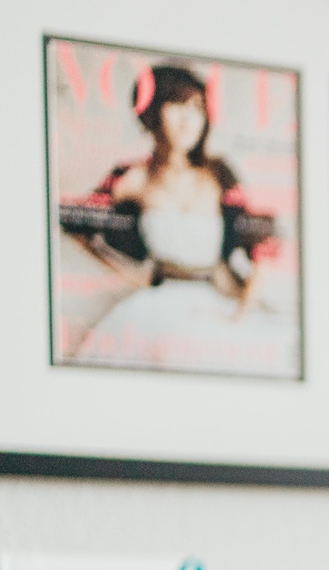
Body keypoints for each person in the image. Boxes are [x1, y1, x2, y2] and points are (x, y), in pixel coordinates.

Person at [59, 64, 293, 373]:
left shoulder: (219, 175)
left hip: (215, 297)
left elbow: (262, 243)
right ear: (154, 112)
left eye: (197, 108)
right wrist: (129, 273)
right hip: (159, 305)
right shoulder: (133, 178)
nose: (188, 120)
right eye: (177, 105)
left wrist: (242, 311)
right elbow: (75, 220)